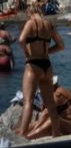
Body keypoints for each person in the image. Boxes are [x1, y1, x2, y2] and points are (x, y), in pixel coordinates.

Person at [17, 7, 65, 136]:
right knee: (50, 103)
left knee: (28, 101)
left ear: (30, 13)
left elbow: (21, 40)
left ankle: (22, 134)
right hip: (47, 65)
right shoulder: (48, 25)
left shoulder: (31, 23)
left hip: (33, 65)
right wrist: (47, 52)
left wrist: (27, 53)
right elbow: (61, 46)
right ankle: (56, 132)